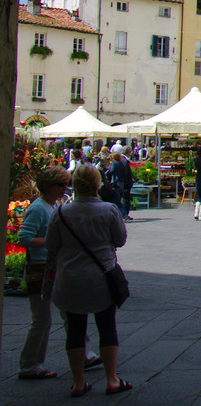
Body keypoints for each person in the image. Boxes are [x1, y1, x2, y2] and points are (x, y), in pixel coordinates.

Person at [44, 164, 130, 397]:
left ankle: (78, 381)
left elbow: (51, 244)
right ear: (97, 184)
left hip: (70, 278)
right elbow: (120, 239)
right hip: (102, 277)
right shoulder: (109, 210)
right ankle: (112, 379)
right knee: (107, 327)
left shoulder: (61, 212)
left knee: (75, 330)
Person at [17, 166, 70, 380]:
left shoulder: (53, 204)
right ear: (48, 186)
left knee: (66, 311)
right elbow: (24, 238)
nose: (65, 188)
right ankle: (29, 365)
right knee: (42, 319)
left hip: (51, 266)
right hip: (40, 267)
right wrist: (52, 243)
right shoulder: (38, 208)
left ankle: (85, 354)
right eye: (61, 184)